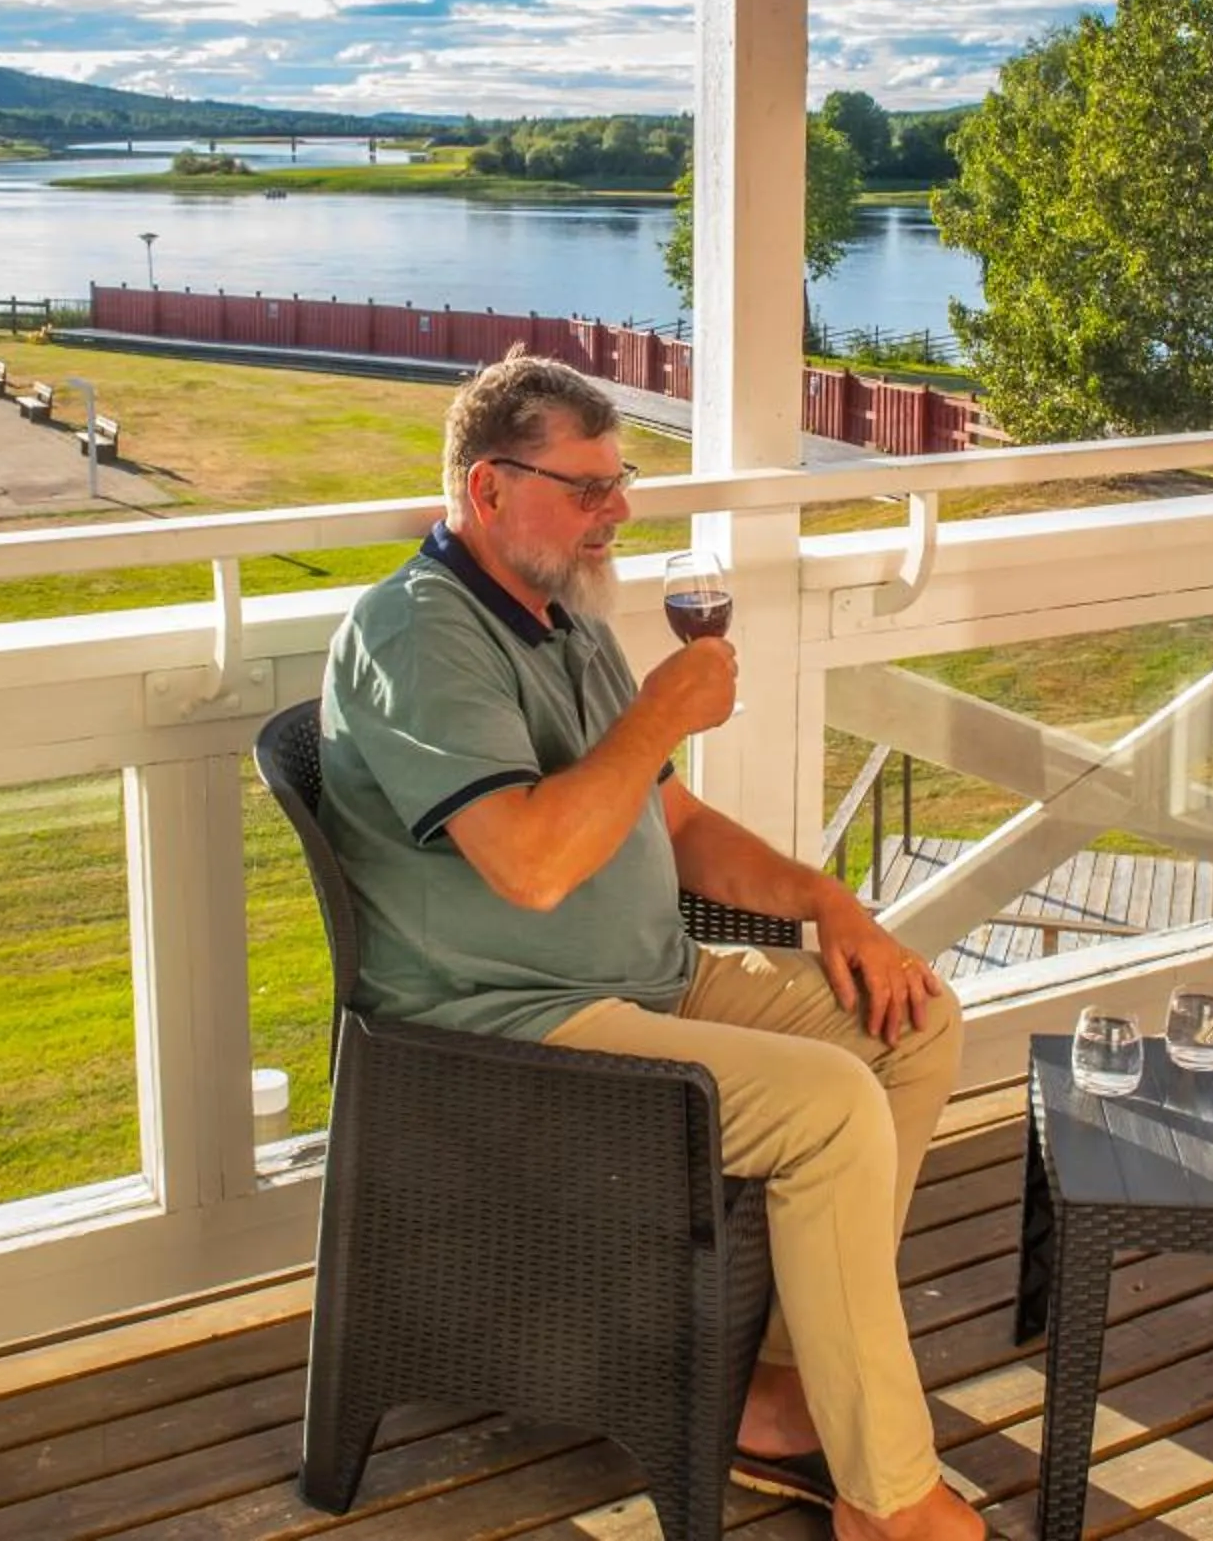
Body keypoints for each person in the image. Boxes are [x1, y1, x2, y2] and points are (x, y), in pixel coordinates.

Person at [320, 350, 981, 1541]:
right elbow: (528, 862)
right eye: (587, 489)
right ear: (485, 490)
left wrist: (831, 902)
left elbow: (669, 822)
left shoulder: (561, 610)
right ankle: (890, 1503)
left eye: (619, 484)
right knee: (832, 1105)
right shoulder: (419, 634)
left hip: (649, 983)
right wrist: (662, 708)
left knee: (911, 1021)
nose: (614, 513)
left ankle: (780, 1392)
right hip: (504, 1037)